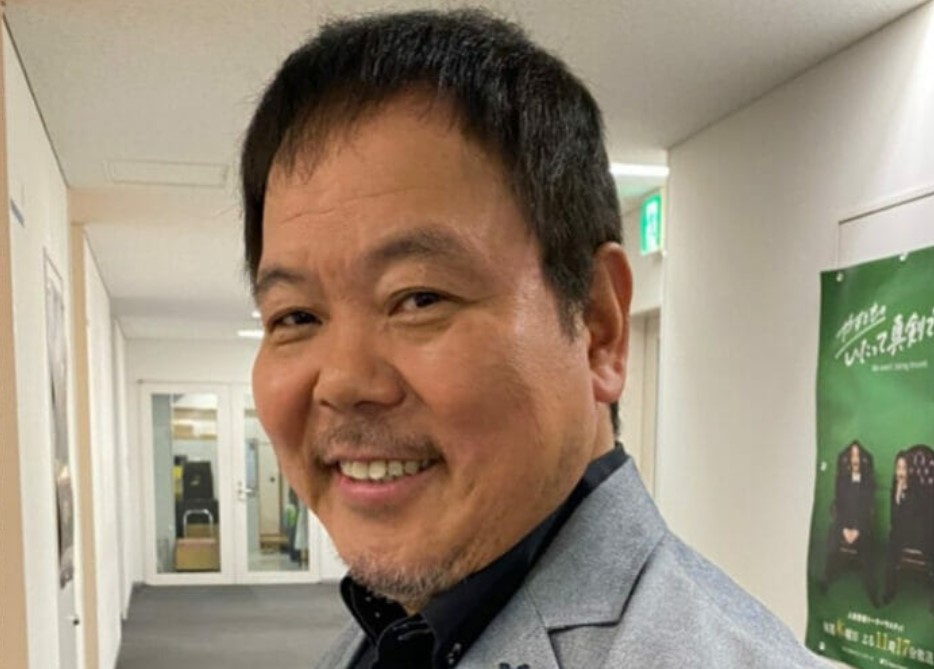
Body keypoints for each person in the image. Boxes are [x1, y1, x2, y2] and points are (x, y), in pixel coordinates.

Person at [241, 9, 827, 668]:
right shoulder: (393, 633)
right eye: (295, 316)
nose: (344, 381)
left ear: (598, 328)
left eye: (420, 298)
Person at [823, 442, 879, 606]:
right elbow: (839, 506)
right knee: (832, 544)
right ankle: (826, 580)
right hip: (843, 522)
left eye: (858, 456)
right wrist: (844, 529)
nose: (855, 460)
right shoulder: (841, 480)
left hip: (861, 524)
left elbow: (867, 508)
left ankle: (872, 593)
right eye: (853, 456)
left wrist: (857, 530)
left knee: (868, 555)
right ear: (848, 459)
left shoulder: (868, 482)